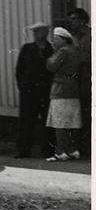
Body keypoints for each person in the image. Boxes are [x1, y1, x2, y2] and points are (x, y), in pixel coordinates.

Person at [15, 22, 55, 158]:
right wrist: (23, 86)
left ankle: (48, 150)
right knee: (25, 120)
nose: (35, 34)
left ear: (45, 33)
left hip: (45, 90)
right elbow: (19, 69)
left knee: (47, 120)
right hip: (28, 91)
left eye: (37, 31)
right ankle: (23, 150)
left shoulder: (51, 49)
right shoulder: (27, 48)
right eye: (34, 31)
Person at [45, 26, 83, 161]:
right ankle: (73, 149)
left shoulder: (62, 51)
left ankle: (61, 152)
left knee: (59, 122)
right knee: (72, 121)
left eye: (56, 39)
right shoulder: (74, 50)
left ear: (64, 40)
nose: (54, 41)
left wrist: (52, 55)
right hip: (73, 89)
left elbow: (51, 65)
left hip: (60, 89)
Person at [68, 7, 91, 157]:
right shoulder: (72, 37)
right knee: (80, 110)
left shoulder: (90, 35)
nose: (72, 23)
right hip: (76, 76)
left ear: (83, 20)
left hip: (89, 72)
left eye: (74, 19)